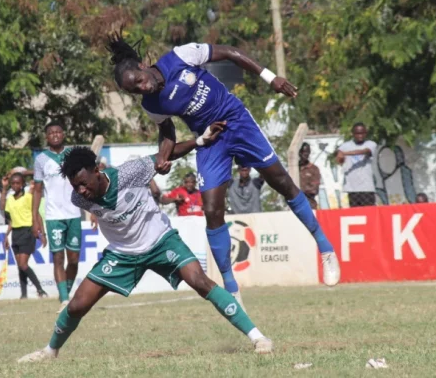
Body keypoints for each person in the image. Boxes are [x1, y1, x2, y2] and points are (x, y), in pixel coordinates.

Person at [106, 33, 339, 305]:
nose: (141, 89)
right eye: (133, 91)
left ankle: (325, 247)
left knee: (281, 182)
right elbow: (167, 131)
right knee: (212, 210)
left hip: (237, 121)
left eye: (139, 81)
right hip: (210, 140)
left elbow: (228, 52)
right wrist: (163, 157)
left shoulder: (180, 57)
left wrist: (270, 77)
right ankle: (231, 286)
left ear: (143, 66)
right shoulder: (151, 104)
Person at [17, 140, 273, 363]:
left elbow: (167, 155)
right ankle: (50, 352)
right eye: (76, 186)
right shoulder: (80, 199)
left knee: (201, 282)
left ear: (97, 171)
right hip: (122, 254)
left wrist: (200, 140)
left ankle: (258, 338)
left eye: (84, 183)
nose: (81, 190)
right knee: (76, 306)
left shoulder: (131, 172)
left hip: (161, 241)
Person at [33, 121, 82, 311]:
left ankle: (67, 294)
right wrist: (35, 217)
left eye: (58, 132)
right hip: (53, 216)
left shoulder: (72, 155)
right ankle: (64, 299)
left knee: (74, 259)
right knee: (58, 258)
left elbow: (84, 182)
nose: (55, 135)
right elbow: (37, 190)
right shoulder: (41, 160)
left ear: (63, 134)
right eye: (51, 132)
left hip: (74, 213)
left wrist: (92, 210)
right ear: (47, 137)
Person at [1, 172, 48, 300]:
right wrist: (6, 235)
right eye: (13, 183)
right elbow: (8, 217)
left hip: (27, 231)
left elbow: (37, 215)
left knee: (23, 264)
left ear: (22, 184)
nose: (15, 185)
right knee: (20, 267)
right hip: (15, 233)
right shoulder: (10, 199)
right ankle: (24, 294)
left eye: (18, 183)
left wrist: (42, 233)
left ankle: (40, 289)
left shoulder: (28, 197)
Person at [336, 123, 378, 207]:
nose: (360, 136)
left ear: (366, 133)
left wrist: (345, 153)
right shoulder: (345, 146)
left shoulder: (371, 144)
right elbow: (339, 161)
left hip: (367, 188)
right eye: (358, 133)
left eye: (362, 133)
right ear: (352, 134)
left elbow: (365, 151)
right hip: (352, 188)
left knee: (370, 214)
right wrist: (340, 157)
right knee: (355, 215)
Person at [299, 143, 321, 210]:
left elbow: (314, 189)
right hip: (296, 204)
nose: (305, 154)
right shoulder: (294, 168)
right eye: (303, 152)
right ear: (299, 153)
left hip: (309, 204)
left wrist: (300, 190)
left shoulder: (314, 169)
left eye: (307, 152)